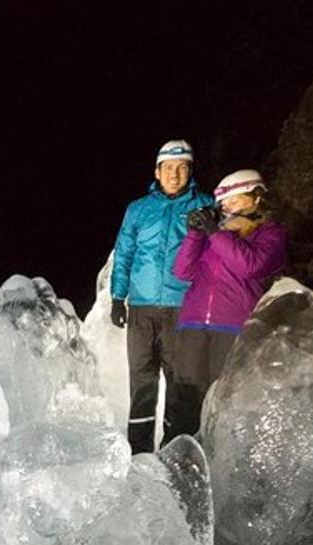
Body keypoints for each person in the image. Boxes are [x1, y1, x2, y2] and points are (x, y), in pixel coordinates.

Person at [109, 139, 214, 453]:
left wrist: (213, 229)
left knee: (178, 383)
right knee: (142, 381)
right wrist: (118, 297)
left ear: (191, 171)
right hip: (141, 307)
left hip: (182, 308)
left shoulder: (206, 205)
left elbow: (220, 254)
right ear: (157, 171)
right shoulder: (138, 209)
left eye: (182, 168)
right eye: (168, 168)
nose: (175, 174)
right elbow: (124, 253)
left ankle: (173, 451)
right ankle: (139, 451)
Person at [172, 168, 288, 435]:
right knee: (185, 404)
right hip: (193, 323)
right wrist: (194, 234)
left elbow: (250, 265)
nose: (227, 209)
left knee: (223, 405)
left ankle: (217, 468)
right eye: (223, 204)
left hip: (234, 326)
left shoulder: (271, 233)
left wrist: (215, 233)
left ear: (257, 198)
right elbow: (182, 272)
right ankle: (177, 464)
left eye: (234, 201)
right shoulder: (217, 235)